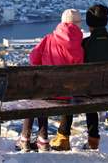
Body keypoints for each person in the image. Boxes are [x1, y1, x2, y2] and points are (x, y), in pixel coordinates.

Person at [50, 4, 108, 151]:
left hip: (90, 90)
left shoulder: (86, 44)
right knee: (89, 89)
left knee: (73, 90)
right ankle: (93, 139)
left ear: (89, 24)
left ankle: (63, 137)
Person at [17, 9, 84, 152]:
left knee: (36, 96)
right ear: (78, 24)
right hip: (67, 93)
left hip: (47, 91)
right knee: (42, 95)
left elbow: (33, 59)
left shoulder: (49, 38)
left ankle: (29, 139)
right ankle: (42, 140)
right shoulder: (79, 46)